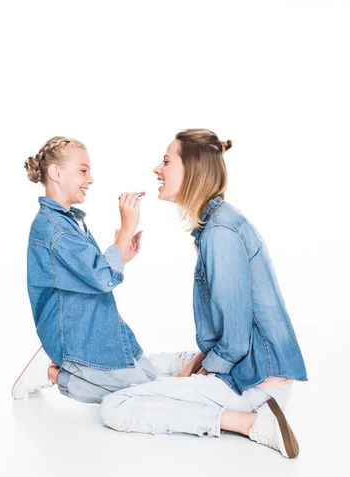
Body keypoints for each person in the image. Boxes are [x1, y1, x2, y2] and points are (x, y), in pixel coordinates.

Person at [100, 129, 308, 458]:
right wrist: (196, 364)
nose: (157, 169)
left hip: (253, 380)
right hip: (251, 369)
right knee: (144, 365)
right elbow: (231, 331)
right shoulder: (215, 224)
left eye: (166, 162)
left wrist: (196, 376)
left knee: (116, 405)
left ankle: (249, 422)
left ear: (192, 170)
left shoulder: (221, 233)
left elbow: (236, 344)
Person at [13, 136, 197, 403]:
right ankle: (53, 373)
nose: (90, 179)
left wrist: (122, 254)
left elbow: (88, 274)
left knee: (146, 380)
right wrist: (125, 230)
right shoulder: (54, 229)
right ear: (56, 173)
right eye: (83, 171)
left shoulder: (68, 222)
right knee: (137, 395)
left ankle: (61, 368)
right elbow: (100, 276)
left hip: (95, 327)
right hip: (76, 337)